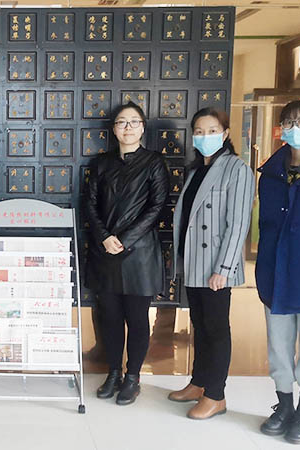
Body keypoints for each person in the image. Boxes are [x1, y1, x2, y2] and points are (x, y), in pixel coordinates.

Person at [169, 107, 255, 420]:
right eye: (199, 132)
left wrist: (224, 268)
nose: (205, 137)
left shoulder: (237, 169)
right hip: (194, 262)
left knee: (217, 329)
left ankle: (216, 395)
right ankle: (199, 382)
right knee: (200, 325)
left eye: (212, 130)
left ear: (225, 133)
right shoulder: (195, 171)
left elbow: (238, 223)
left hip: (216, 265)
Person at [85, 101, 169, 405]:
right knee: (109, 317)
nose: (128, 127)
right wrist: (105, 237)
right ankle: (113, 373)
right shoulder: (101, 164)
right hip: (106, 251)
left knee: (136, 318)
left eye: (134, 122)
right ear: (114, 129)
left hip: (139, 254)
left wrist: (125, 238)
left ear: (143, 128)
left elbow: (157, 206)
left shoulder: (154, 162)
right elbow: (90, 204)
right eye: (122, 122)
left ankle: (132, 377)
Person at [256, 99, 300, 444]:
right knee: (278, 344)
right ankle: (284, 404)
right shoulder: (271, 173)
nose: (295, 128)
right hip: (275, 271)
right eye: (289, 122)